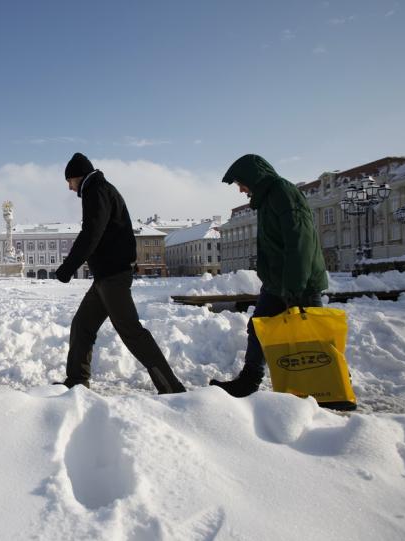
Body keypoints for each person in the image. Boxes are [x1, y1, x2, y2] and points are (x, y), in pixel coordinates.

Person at [53, 152, 186, 393]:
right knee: (82, 325)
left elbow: (91, 232)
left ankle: (172, 387)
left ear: (77, 176)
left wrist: (68, 267)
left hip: (113, 277)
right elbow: (97, 233)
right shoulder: (98, 189)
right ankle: (76, 381)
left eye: (69, 182)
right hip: (105, 277)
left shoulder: (96, 190)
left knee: (131, 332)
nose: (70, 188)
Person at [209, 154, 328, 397]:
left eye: (241, 183)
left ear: (254, 178)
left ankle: (331, 384)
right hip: (278, 282)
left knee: (314, 337)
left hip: (299, 283)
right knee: (259, 327)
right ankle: (249, 382)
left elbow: (300, 242)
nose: (241, 189)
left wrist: (295, 286)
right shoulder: (267, 199)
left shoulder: (283, 193)